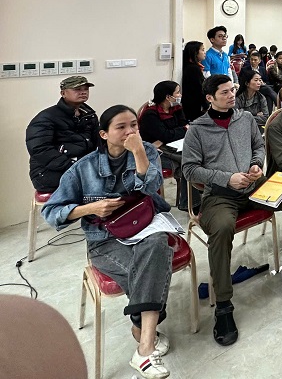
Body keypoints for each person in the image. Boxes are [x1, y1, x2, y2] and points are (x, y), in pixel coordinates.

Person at [182, 74, 282, 347]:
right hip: (220, 195)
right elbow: (190, 169)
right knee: (221, 228)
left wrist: (256, 164)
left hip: (255, 187)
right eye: (224, 92)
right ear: (209, 98)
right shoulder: (197, 129)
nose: (231, 95)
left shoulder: (245, 119)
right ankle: (223, 304)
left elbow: (258, 146)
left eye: (232, 90)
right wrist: (226, 178)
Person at [42, 105, 174, 379]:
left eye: (133, 125)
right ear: (104, 134)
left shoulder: (146, 151)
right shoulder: (84, 168)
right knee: (151, 270)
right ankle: (143, 333)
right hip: (105, 239)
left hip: (146, 226)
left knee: (158, 243)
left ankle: (144, 347)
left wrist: (139, 152)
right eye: (121, 127)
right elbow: (51, 212)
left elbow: (151, 187)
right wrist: (89, 208)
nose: (130, 132)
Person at [26, 76, 99, 193]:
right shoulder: (46, 117)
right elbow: (40, 149)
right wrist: (73, 166)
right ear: (63, 93)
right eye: (77, 89)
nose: (83, 92)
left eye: (86, 89)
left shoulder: (89, 115)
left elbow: (97, 143)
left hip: (81, 168)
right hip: (47, 173)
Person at [137, 81, 194, 211]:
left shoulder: (176, 108)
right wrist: (180, 130)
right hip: (155, 152)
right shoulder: (150, 114)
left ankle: (192, 198)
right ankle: (189, 203)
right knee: (188, 162)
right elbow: (167, 134)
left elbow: (183, 126)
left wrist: (176, 132)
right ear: (168, 97)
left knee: (196, 157)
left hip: (174, 146)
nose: (180, 95)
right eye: (177, 92)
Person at [182, 41, 210, 121]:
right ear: (195, 52)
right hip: (194, 106)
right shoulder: (193, 69)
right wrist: (206, 105)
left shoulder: (193, 67)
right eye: (202, 50)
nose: (205, 52)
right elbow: (198, 89)